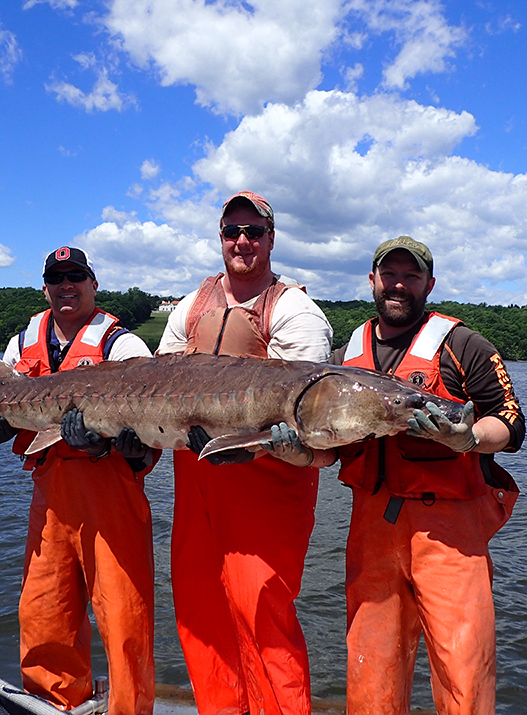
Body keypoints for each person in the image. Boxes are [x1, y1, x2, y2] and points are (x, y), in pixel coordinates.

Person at [331, 236, 525, 715]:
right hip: (371, 526)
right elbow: (328, 447)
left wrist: (470, 439)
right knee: (371, 667)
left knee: (464, 671)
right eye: (389, 275)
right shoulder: (342, 356)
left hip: (450, 532)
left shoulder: (464, 345)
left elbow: (511, 422)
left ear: (429, 284)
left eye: (411, 276)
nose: (399, 284)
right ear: (373, 281)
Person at [157, 191, 333, 715]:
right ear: (220, 236)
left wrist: (263, 446)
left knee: (262, 615)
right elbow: (160, 374)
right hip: (196, 481)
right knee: (199, 611)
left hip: (267, 489)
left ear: (271, 240)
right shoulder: (192, 305)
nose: (242, 241)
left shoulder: (295, 310)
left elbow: (310, 416)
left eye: (254, 232)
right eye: (233, 230)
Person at [0, 246, 157, 715]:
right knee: (44, 617)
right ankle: (52, 705)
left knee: (125, 621)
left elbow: (150, 441)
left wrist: (106, 443)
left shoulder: (124, 346)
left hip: (112, 498)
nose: (66, 286)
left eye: (76, 277)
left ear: (93, 285)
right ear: (44, 288)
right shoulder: (20, 344)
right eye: (56, 279)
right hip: (50, 501)